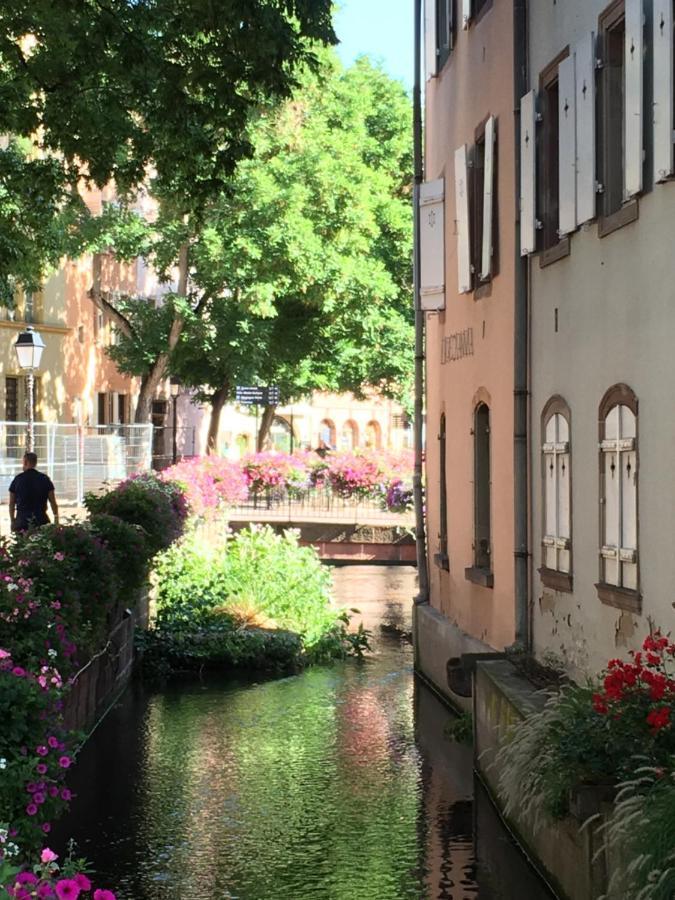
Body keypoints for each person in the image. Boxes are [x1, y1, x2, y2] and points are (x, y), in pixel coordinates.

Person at [8, 452, 59, 533]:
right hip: (41, 519)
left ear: (25, 462)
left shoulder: (17, 480)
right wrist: (56, 518)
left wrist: (12, 521)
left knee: (22, 544)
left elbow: (11, 503)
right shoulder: (45, 479)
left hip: (22, 521)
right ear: (35, 463)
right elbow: (53, 502)